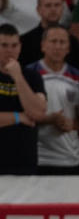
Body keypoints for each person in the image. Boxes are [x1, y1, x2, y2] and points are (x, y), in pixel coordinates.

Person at [28, 23, 79, 176]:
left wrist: (73, 124)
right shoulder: (28, 75)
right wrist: (49, 119)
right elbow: (21, 115)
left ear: (68, 48)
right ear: (43, 45)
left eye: (62, 42)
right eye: (53, 41)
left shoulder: (78, 77)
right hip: (38, 157)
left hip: (71, 158)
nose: (57, 47)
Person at [0, 21, 46, 174]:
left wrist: (18, 77)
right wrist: (19, 116)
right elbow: (28, 115)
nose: (10, 50)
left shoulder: (32, 76)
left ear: (20, 47)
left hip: (24, 161)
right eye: (4, 45)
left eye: (14, 45)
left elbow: (38, 113)